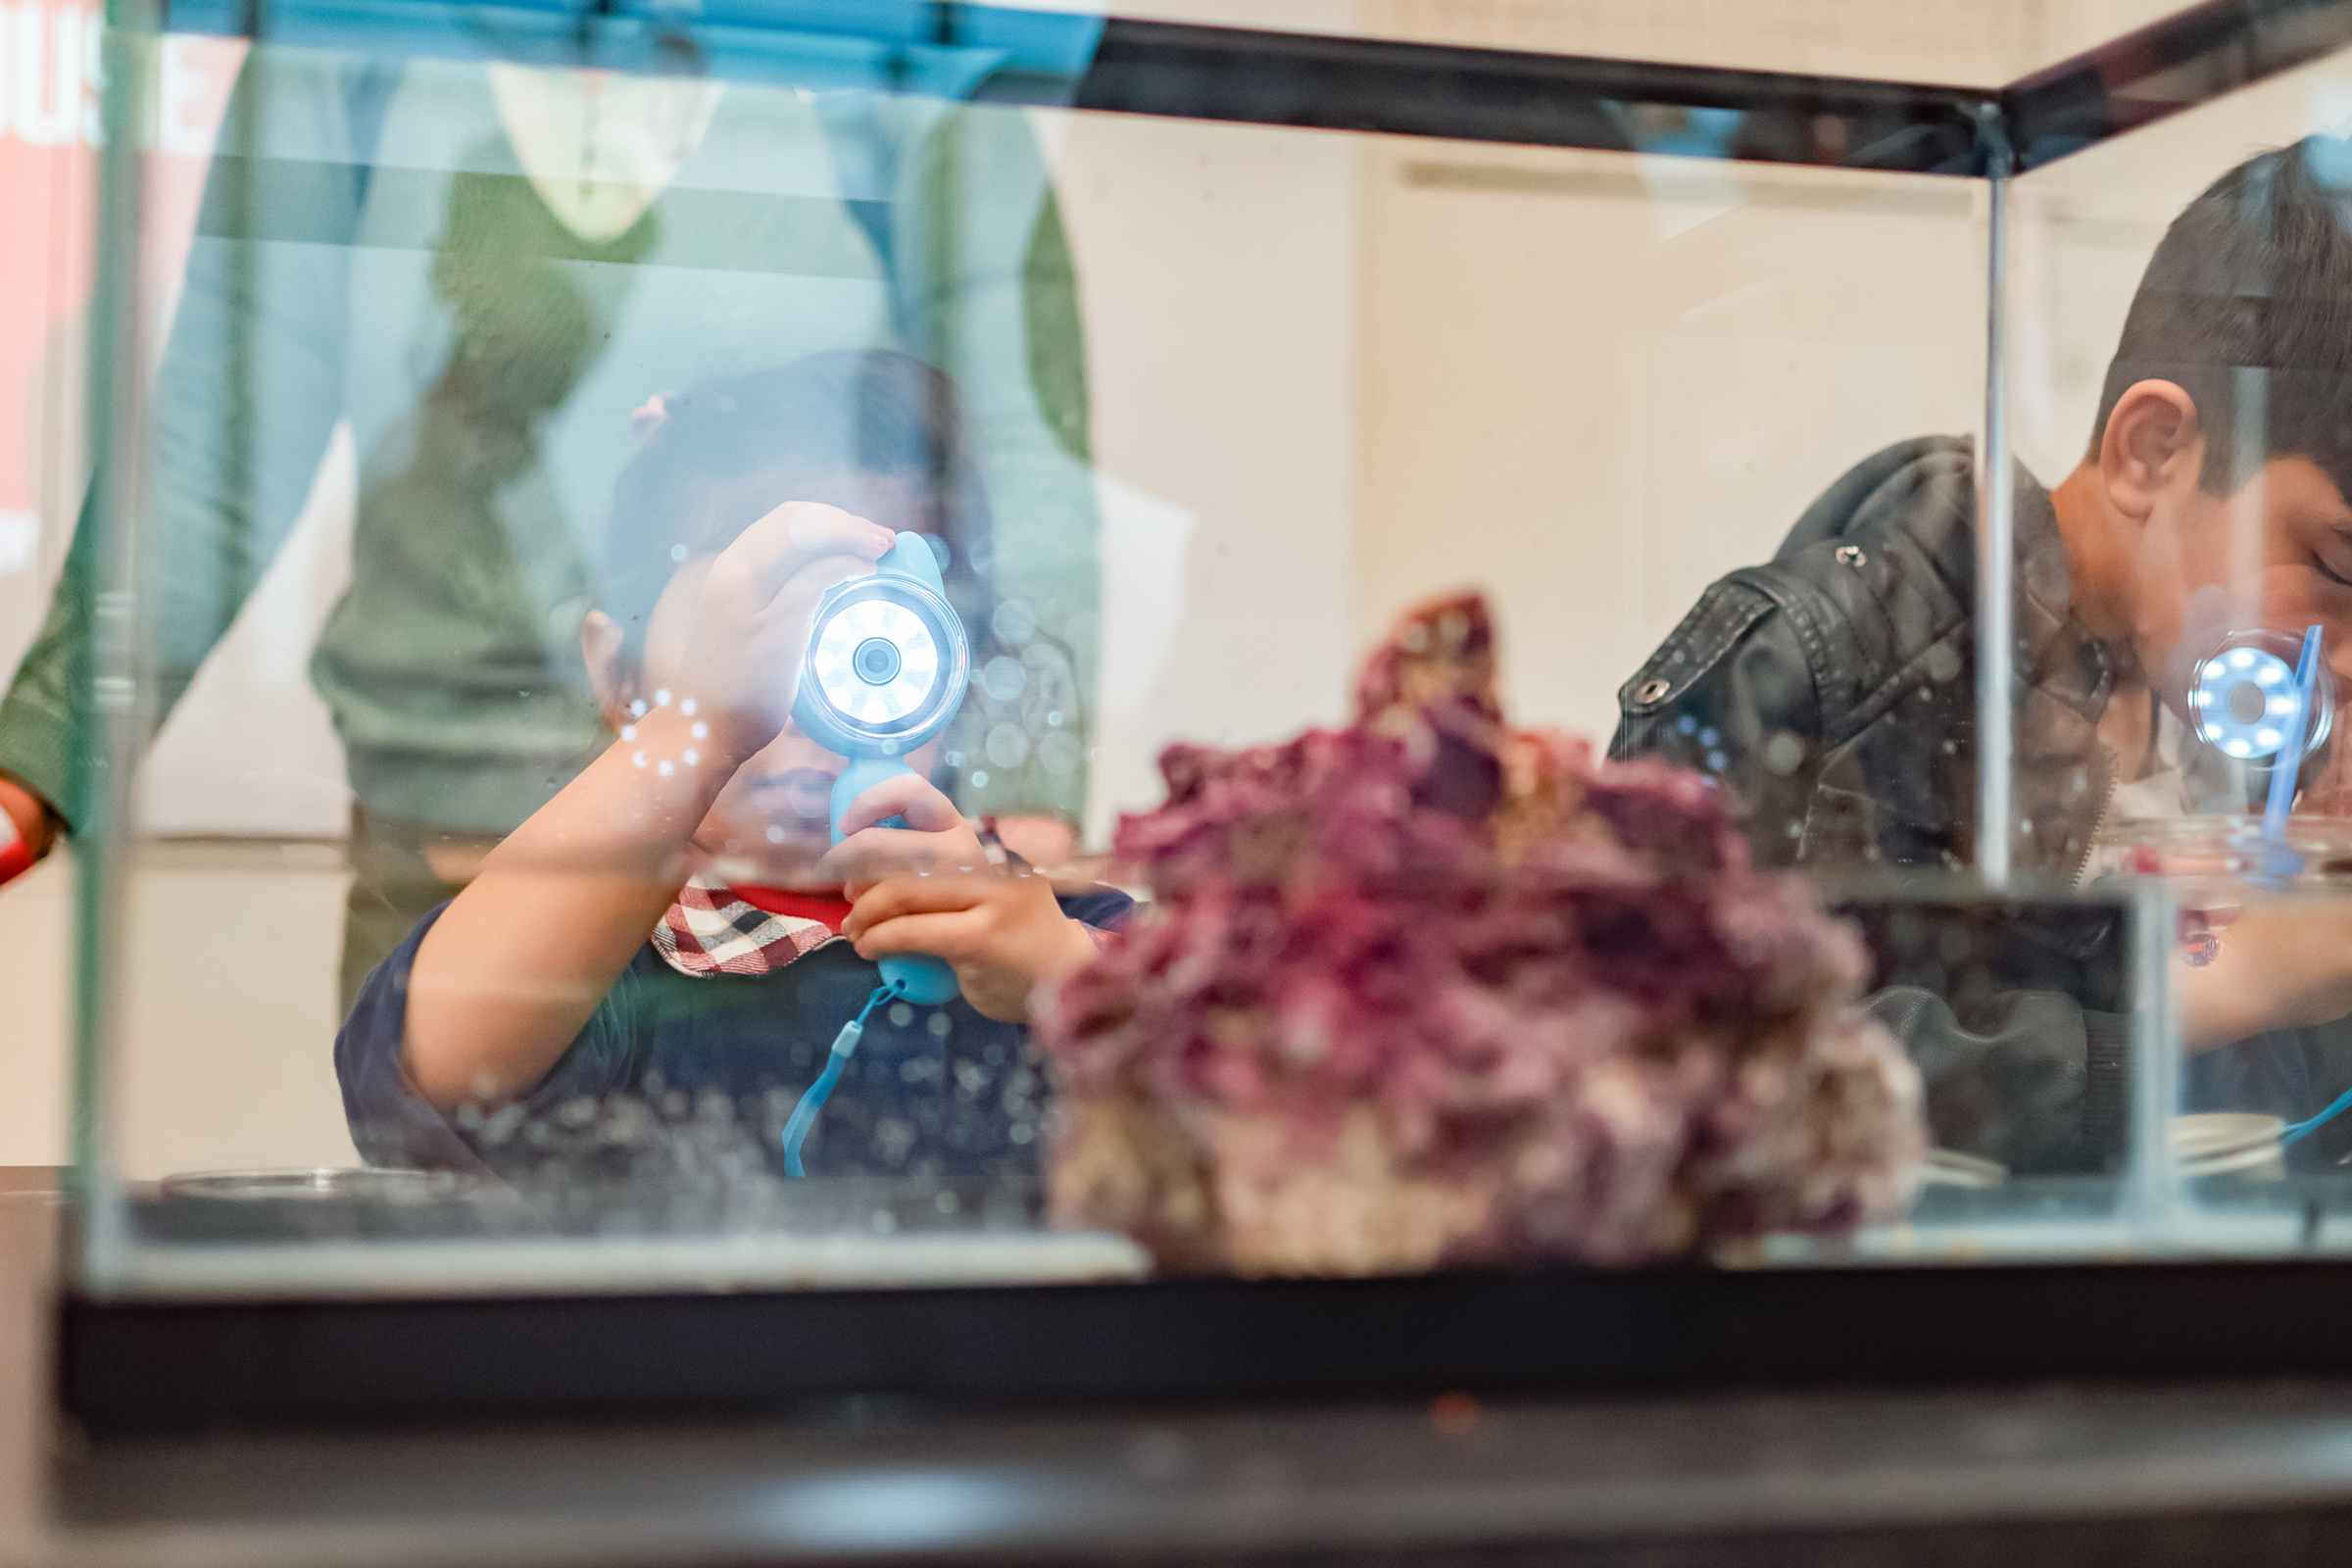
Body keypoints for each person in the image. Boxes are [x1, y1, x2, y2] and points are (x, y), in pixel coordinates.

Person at [0, 47, 1101, 1013]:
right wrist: (38, 758)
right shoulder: (345, 51)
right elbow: (215, 445)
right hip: (455, 840)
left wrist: (1027, 817)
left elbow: (1021, 469)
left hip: (824, 857)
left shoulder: (910, 47)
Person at [1613, 136, 2352, 1172]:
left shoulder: (2248, 718)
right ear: (2151, 454)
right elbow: (1674, 1055)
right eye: (2337, 562)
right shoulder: (1818, 664)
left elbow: (2277, 1136)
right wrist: (2217, 989)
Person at [335, 354, 1129, 1187]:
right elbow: (430, 1069)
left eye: (871, 645)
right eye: (759, 640)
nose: (806, 705)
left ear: (953, 674)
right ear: (620, 680)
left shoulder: (1040, 927)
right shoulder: (608, 955)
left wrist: (1062, 981)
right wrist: (700, 735)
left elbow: (1243, 1102)